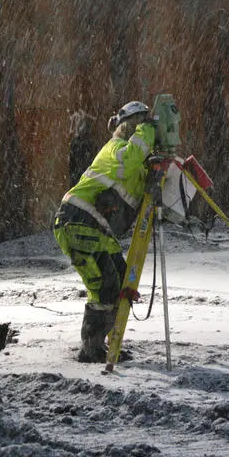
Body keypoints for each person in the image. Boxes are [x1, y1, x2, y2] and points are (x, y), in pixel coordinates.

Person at [53, 100, 156, 363]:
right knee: (104, 286)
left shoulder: (139, 167)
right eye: (137, 125)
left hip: (99, 228)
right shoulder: (116, 149)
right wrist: (148, 129)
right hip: (78, 220)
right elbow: (133, 155)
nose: (140, 130)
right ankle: (92, 349)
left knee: (122, 280)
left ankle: (110, 343)